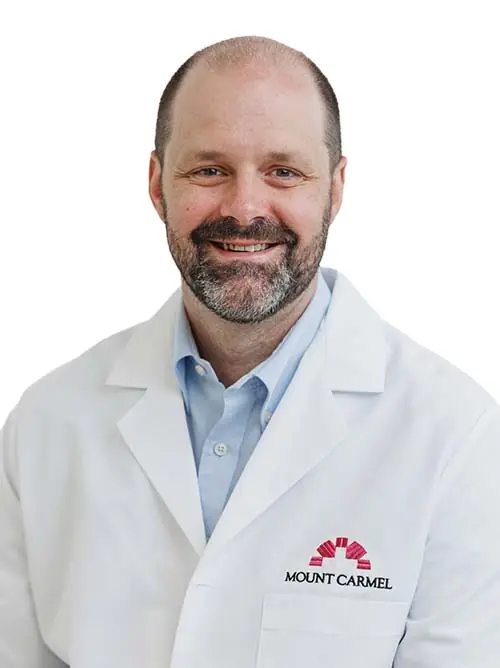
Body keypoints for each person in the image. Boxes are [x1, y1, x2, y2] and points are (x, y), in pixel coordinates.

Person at [1, 34, 499, 668]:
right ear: (157, 184)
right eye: (209, 170)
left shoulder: (456, 438)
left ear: (335, 189)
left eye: (284, 171)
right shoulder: (46, 424)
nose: (244, 209)